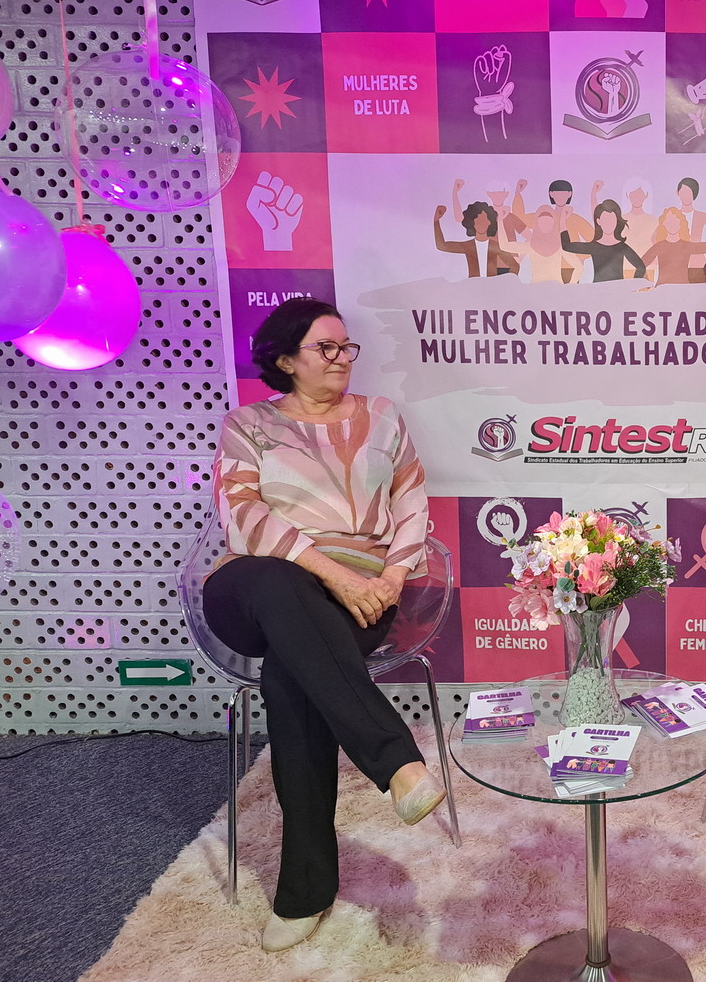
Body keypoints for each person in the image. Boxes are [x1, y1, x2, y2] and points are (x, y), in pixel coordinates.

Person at [203, 298, 444, 953]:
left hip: (360, 598)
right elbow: (243, 517)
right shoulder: (248, 425)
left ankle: (304, 890)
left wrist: (390, 579)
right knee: (279, 584)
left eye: (346, 348)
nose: (342, 359)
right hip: (253, 591)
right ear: (286, 360)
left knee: (292, 677)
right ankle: (396, 762)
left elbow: (411, 502)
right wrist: (334, 574)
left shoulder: (381, 417)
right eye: (326, 348)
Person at [560, 199, 646, 282]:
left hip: (618, 290)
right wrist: (563, 219)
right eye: (605, 220)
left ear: (617, 221)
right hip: (598, 290)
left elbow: (641, 267)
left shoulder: (622, 247)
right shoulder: (594, 247)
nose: (609, 224)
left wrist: (633, 286)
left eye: (612, 220)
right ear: (599, 221)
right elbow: (566, 246)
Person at [434, 201, 520, 278]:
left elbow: (515, 266)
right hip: (473, 287)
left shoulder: (496, 246)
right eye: (477, 220)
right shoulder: (467, 246)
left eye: (483, 220)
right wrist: (436, 221)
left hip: (492, 288)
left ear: (489, 222)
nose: (480, 224)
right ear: (472, 223)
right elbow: (442, 246)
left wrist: (506, 284)